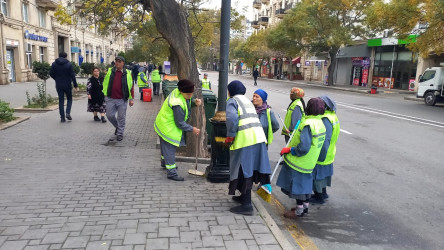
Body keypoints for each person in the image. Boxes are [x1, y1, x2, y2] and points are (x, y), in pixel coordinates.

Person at [225, 80, 272, 216]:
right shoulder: (246, 101)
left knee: (244, 169)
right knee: (249, 169)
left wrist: (230, 135)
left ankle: (247, 205)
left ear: (231, 91)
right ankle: (243, 197)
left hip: (245, 141)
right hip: (258, 139)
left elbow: (232, 119)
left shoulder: (232, 101)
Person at [276, 98, 326, 218]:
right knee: (306, 186)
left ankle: (298, 211)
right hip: (310, 162)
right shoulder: (320, 123)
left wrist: (289, 150)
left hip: (299, 162)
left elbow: (303, 147)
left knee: (298, 188)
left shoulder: (308, 124)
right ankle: (305, 208)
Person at [154, 80, 202, 181]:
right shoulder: (177, 104)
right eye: (188, 94)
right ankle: (171, 172)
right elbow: (179, 123)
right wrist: (192, 129)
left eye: (191, 93)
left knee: (165, 147)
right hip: (167, 127)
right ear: (182, 92)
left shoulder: (178, 92)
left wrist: (193, 102)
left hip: (162, 123)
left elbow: (187, 101)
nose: (190, 95)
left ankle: (165, 163)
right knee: (169, 149)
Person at [310, 96, 340, 204]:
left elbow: (325, 139)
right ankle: (323, 193)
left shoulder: (325, 119)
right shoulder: (332, 116)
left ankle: (319, 197)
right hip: (330, 152)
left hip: (323, 152)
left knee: (318, 176)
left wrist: (320, 155)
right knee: (324, 175)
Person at [102, 56, 134, 141]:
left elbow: (131, 86)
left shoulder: (127, 73)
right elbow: (105, 82)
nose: (117, 63)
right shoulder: (110, 71)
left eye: (119, 61)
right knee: (109, 115)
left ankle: (120, 133)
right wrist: (104, 94)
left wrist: (131, 99)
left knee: (121, 117)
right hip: (110, 98)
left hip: (122, 99)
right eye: (116, 61)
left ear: (123, 63)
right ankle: (117, 127)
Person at [50, 52, 79, 123]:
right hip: (67, 84)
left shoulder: (54, 64)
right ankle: (68, 112)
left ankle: (62, 118)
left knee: (61, 100)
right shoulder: (69, 64)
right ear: (66, 57)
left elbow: (51, 73)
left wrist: (56, 79)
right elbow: (72, 75)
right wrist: (75, 85)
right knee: (69, 99)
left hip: (58, 85)